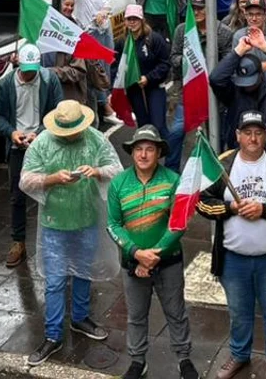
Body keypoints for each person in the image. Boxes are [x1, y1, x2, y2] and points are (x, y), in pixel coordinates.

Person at [197, 110, 266, 379]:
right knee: (238, 312)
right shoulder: (221, 164)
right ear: (238, 136)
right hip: (233, 258)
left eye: (258, 132)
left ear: (265, 135)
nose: (253, 138)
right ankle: (239, 355)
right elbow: (200, 201)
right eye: (247, 132)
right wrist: (231, 207)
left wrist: (265, 210)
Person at [20, 99, 122, 366]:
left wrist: (98, 172)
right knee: (54, 282)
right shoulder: (43, 142)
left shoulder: (95, 139)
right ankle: (52, 335)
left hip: (86, 218)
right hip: (54, 223)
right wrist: (51, 179)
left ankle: (80, 317)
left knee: (82, 271)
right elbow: (25, 178)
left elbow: (117, 169)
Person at [106, 126, 198, 379]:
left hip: (168, 262)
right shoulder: (118, 183)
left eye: (149, 149)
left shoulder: (173, 181)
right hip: (132, 262)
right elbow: (112, 225)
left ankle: (184, 359)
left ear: (159, 152)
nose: (143, 154)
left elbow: (179, 223)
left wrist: (151, 255)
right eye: (138, 149)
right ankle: (137, 361)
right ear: (132, 152)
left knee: (176, 312)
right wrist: (136, 253)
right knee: (135, 316)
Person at [0, 43, 64, 268]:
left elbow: (58, 111)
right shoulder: (6, 84)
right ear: (19, 65)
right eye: (27, 70)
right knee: (17, 195)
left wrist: (39, 132)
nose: (31, 74)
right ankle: (18, 241)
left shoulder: (49, 81)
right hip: (17, 147)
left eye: (35, 69)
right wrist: (11, 132)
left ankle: (56, 241)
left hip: (45, 144)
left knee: (53, 192)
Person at [209, 26, 266, 154]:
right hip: (243, 155)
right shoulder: (233, 89)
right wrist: (237, 52)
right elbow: (215, 78)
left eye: (251, 81)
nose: (248, 86)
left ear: (261, 75)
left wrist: (265, 47)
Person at [168, 0, 234, 169]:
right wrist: (188, 62)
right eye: (193, 8)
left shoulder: (224, 32)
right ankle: (171, 172)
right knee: (175, 132)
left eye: (200, 8)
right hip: (188, 91)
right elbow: (173, 57)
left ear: (210, 9)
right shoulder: (182, 30)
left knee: (217, 137)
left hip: (214, 94)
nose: (196, 12)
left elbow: (229, 63)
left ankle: (216, 173)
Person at [120, 6, 171, 132]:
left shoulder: (154, 39)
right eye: (129, 19)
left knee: (158, 125)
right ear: (125, 21)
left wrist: (149, 78)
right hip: (134, 90)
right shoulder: (122, 42)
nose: (132, 22)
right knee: (143, 127)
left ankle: (165, 150)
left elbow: (165, 64)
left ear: (142, 20)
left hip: (154, 87)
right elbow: (116, 66)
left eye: (135, 19)